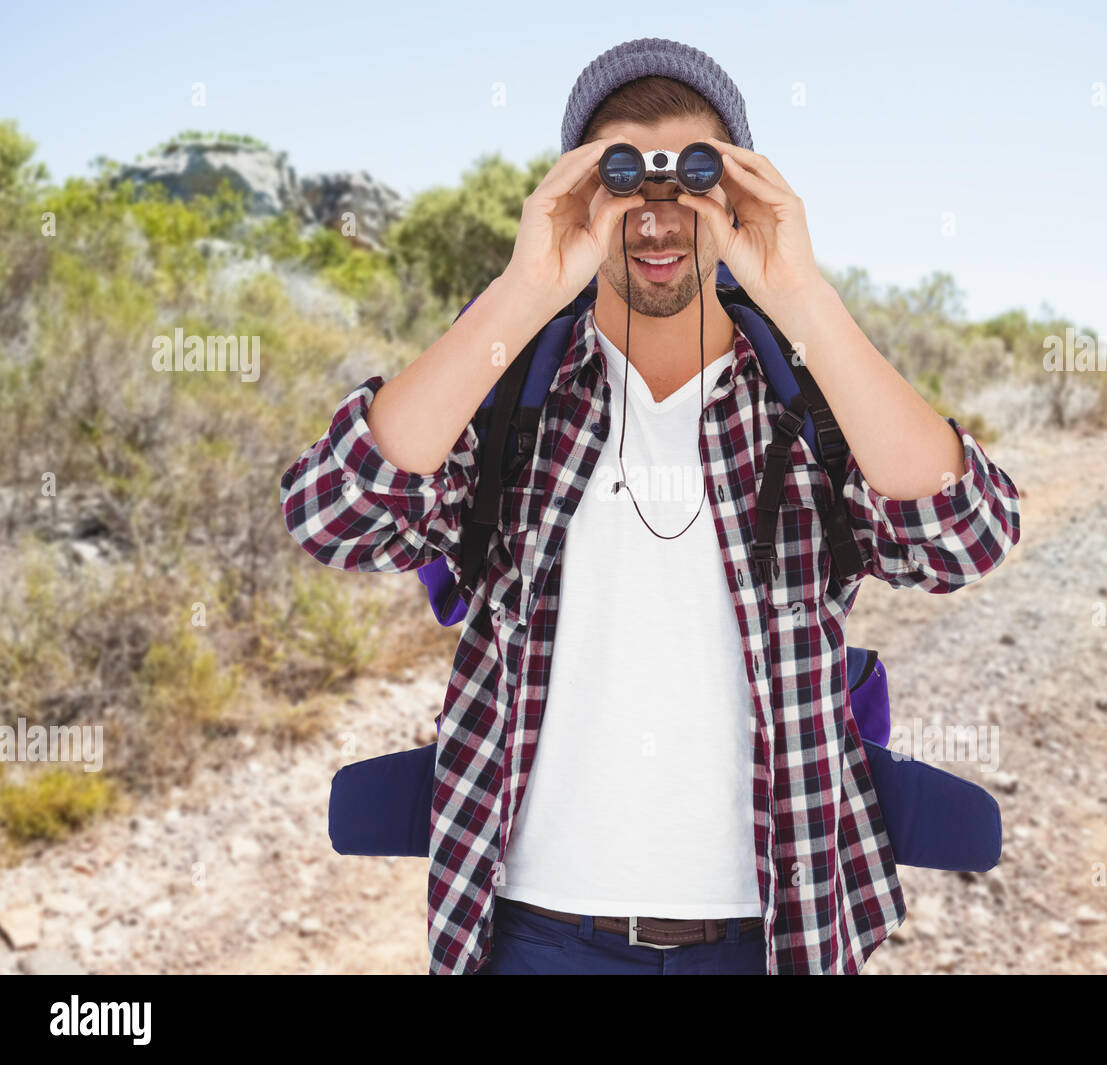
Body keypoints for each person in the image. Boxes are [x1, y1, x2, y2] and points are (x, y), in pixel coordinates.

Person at [280, 37, 1022, 975]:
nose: (658, 216)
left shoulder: (808, 409)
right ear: (581, 193)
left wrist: (798, 293)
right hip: (529, 933)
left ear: (740, 193)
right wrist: (526, 287)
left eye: (695, 180)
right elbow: (330, 514)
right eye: (624, 177)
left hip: (770, 936)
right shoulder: (518, 402)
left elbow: (970, 538)